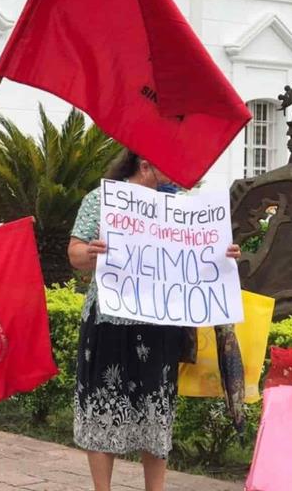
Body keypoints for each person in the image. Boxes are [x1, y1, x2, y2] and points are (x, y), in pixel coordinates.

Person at [68, 150, 241, 491]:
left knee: (156, 411)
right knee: (102, 408)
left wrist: (224, 253)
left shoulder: (181, 207)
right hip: (109, 322)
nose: (177, 173)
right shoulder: (103, 199)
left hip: (158, 325)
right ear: (145, 164)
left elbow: (199, 257)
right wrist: (89, 253)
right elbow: (74, 252)